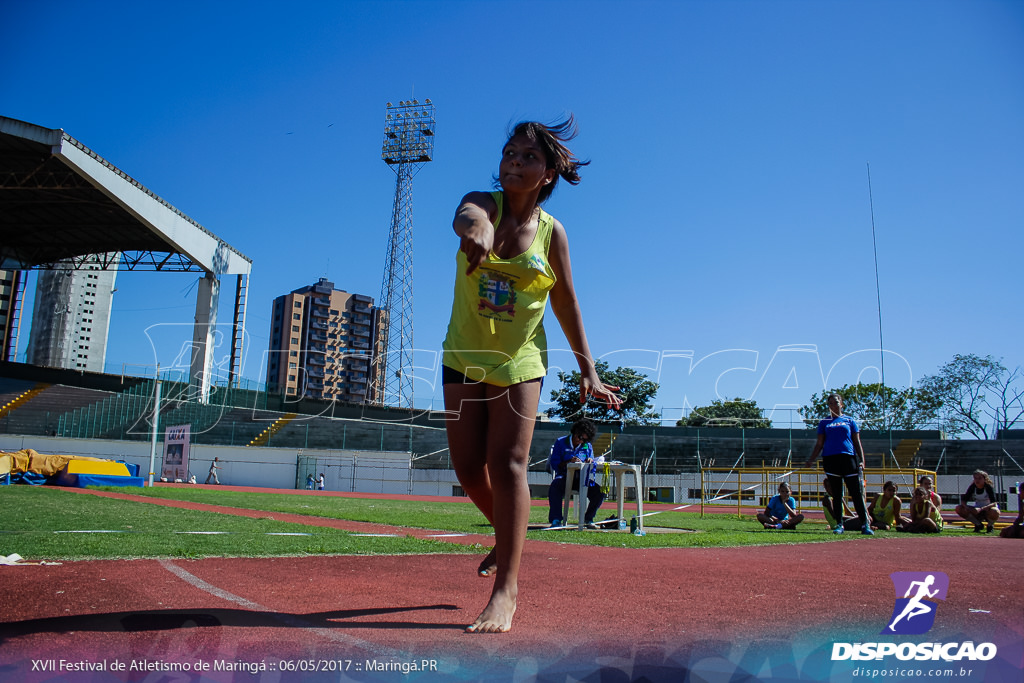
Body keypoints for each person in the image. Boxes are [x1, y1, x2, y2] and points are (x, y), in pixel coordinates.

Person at [441, 117, 621, 634]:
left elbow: (565, 300)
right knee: (470, 470)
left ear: (547, 174)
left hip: (520, 361)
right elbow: (468, 215)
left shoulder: (552, 232)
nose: (514, 163)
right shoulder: (482, 202)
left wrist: (590, 371)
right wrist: (474, 230)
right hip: (464, 354)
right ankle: (506, 538)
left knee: (510, 463)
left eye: (527, 158)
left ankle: (506, 591)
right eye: (508, 154)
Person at [804, 394, 873, 535]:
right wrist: (811, 459)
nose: (833, 405)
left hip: (848, 458)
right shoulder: (824, 422)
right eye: (830, 403)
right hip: (831, 459)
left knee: (856, 493)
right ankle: (839, 524)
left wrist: (862, 460)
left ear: (841, 404)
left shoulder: (849, 420)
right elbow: (819, 443)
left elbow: (856, 441)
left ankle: (865, 524)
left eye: (836, 402)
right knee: (836, 494)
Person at [547, 418, 605, 529]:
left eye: (585, 440)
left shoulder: (587, 446)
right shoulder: (561, 442)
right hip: (564, 477)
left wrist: (590, 462)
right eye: (580, 437)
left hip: (582, 479)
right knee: (555, 487)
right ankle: (556, 519)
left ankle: (588, 519)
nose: (581, 441)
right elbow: (555, 464)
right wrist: (569, 461)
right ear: (575, 432)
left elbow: (592, 466)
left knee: (600, 492)